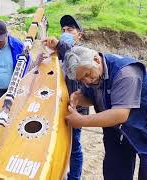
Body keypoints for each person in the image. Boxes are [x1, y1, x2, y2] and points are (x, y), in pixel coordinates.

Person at [45, 40, 147, 179]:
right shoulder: (92, 73)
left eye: (87, 74)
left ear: (96, 59)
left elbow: (120, 114)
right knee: (115, 173)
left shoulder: (125, 73)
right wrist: (80, 98)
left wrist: (81, 120)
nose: (87, 81)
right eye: (81, 80)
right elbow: (94, 97)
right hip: (119, 132)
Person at [58, 15, 88, 180]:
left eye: (70, 30)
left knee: (74, 145)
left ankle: (74, 177)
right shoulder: (58, 54)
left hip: (77, 108)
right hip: (57, 107)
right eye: (63, 30)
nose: (66, 32)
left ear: (79, 35)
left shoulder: (82, 54)